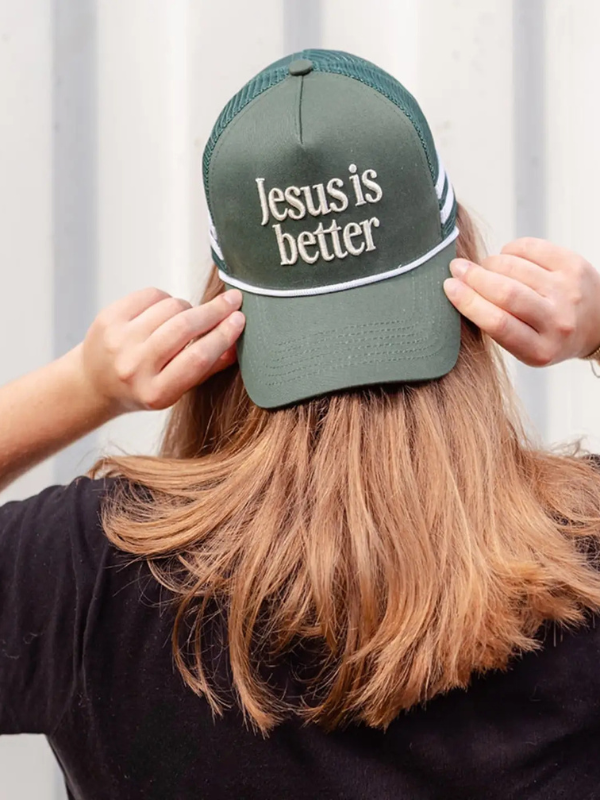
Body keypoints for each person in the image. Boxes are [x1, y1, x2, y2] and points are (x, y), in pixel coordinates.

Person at [2, 48, 600, 800]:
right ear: (466, 280)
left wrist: (83, 387)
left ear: (227, 314)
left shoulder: (93, 571)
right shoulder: (581, 562)